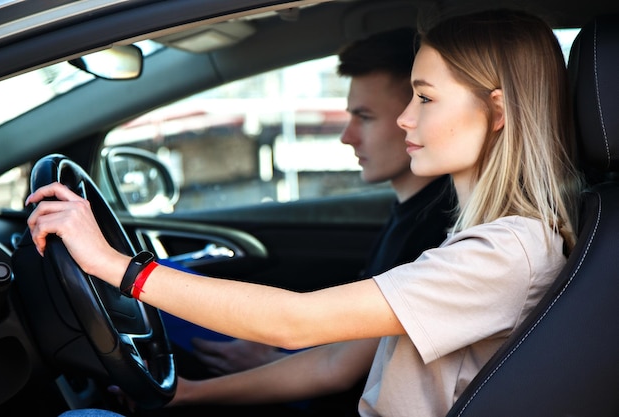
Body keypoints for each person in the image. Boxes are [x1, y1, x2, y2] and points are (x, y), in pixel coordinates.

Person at [32, 8, 583, 417]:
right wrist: (192, 396)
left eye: (425, 98)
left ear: (497, 111)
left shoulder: (505, 252)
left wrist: (115, 267)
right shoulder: (489, 244)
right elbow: (331, 360)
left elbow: (296, 324)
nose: (404, 120)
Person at [185, 27, 454, 380]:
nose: (347, 136)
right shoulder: (413, 213)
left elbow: (346, 368)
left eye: (366, 117)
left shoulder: (435, 230)